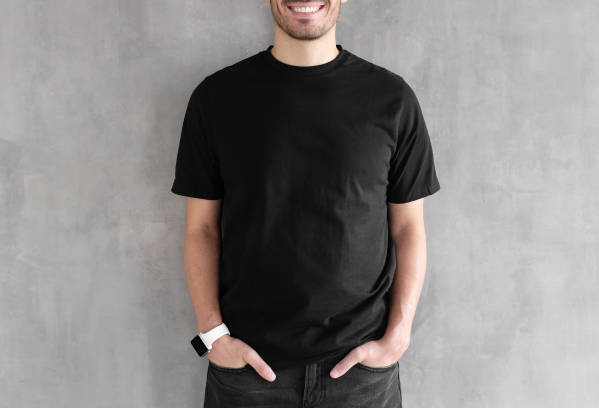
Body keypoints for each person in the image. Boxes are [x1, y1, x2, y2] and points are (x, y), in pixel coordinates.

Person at [170, 0, 441, 406]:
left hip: (360, 377)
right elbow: (201, 229)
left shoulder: (392, 99)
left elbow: (408, 229)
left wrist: (397, 338)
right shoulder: (217, 98)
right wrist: (213, 337)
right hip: (248, 374)